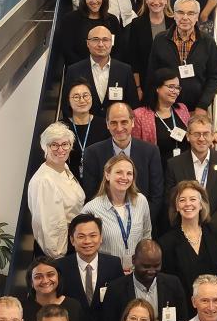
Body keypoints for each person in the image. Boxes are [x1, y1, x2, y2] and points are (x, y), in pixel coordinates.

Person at [159, 180, 217, 306]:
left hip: (215, 307)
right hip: (183, 311)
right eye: (182, 200)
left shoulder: (215, 233)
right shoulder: (166, 242)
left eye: (193, 199)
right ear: (176, 206)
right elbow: (165, 286)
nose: (188, 204)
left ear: (201, 204)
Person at [81, 102, 164, 223]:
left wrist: (141, 221)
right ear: (107, 124)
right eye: (113, 123)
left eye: (124, 122)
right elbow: (92, 194)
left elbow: (156, 195)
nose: (119, 128)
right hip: (106, 224)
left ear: (133, 122)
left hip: (142, 223)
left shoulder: (151, 151)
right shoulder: (92, 153)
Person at [57, 213, 125, 321]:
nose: (87, 241)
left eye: (93, 235)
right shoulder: (60, 267)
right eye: (81, 236)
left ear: (101, 238)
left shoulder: (114, 264)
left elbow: (120, 302)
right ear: (72, 240)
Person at [101, 238, 189, 321]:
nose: (152, 271)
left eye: (156, 266)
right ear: (134, 260)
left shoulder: (173, 284)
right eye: (146, 266)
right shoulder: (116, 289)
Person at [145, 0, 217, 115]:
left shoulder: (208, 42)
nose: (185, 18)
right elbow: (152, 74)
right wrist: (154, 105)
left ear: (197, 17)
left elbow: (214, 77)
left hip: (196, 109)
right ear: (174, 15)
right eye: (180, 12)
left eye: (191, 13)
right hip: (165, 109)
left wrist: (202, 106)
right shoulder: (160, 39)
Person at [164, 111, 217, 230]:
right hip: (184, 228)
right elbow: (170, 200)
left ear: (212, 135)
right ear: (188, 136)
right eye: (196, 134)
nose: (202, 139)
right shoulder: (174, 164)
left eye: (206, 134)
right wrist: (189, 224)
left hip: (215, 229)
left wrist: (211, 226)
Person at [82, 154, 152, 270]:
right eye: (119, 172)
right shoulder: (91, 209)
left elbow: (146, 234)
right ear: (107, 175)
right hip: (107, 272)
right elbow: (86, 246)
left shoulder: (141, 201)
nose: (124, 177)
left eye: (129, 173)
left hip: (137, 272)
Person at [28, 123, 86, 259]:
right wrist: (60, 258)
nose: (60, 149)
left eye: (65, 144)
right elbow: (51, 227)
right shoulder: (44, 181)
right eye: (54, 144)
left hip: (73, 241)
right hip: (60, 251)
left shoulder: (63, 168)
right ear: (45, 147)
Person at [63, 22, 138, 117]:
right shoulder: (74, 71)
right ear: (88, 43)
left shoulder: (125, 70)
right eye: (95, 40)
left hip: (116, 129)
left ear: (111, 43)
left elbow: (133, 105)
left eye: (105, 40)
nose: (101, 44)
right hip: (86, 128)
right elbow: (66, 105)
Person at [131, 66, 190, 176]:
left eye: (178, 88)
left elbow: (193, 134)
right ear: (157, 88)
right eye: (171, 87)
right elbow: (136, 151)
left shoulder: (182, 109)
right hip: (157, 172)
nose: (175, 91)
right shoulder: (139, 115)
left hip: (184, 171)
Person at [21, 256, 91, 321]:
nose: (45, 280)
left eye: (50, 275)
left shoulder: (74, 306)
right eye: (38, 277)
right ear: (31, 282)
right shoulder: (21, 309)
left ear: (58, 277)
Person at [55, 0, 124, 68]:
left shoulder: (112, 20)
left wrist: (105, 68)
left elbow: (117, 50)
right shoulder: (70, 20)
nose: (94, 1)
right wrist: (90, 69)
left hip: (107, 71)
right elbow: (67, 51)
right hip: (80, 74)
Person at [126, 0, 176, 95]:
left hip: (171, 83)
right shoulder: (137, 24)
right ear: (146, 1)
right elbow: (134, 60)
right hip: (146, 83)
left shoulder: (175, 23)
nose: (156, 2)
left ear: (166, 0)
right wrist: (138, 88)